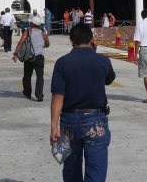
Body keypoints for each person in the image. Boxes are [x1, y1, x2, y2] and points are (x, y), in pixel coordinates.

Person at [50, 23, 115, 182]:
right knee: (96, 170)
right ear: (92, 40)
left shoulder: (62, 63)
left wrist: (54, 126)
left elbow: (58, 96)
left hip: (69, 121)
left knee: (71, 169)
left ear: (71, 40)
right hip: (96, 120)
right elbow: (109, 79)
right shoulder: (103, 61)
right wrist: (95, 52)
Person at [13, 16, 50, 101]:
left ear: (33, 24)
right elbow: (47, 44)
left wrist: (15, 53)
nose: (30, 24)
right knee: (40, 77)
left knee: (27, 75)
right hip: (40, 57)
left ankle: (27, 92)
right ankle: (39, 95)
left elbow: (21, 42)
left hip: (29, 57)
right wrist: (41, 46)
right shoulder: (43, 33)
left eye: (31, 23)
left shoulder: (28, 32)